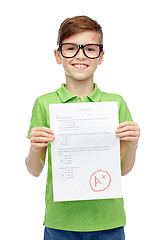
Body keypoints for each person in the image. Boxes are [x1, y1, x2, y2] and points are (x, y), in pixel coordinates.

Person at [25, 15, 140, 240]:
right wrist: (33, 148)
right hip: (61, 222)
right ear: (58, 56)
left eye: (90, 48)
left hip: (109, 221)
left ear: (101, 56)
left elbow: (124, 170)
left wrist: (133, 145)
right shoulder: (44, 103)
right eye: (70, 48)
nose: (80, 55)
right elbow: (34, 170)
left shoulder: (115, 103)